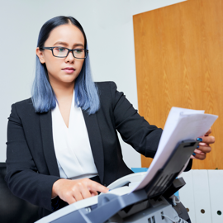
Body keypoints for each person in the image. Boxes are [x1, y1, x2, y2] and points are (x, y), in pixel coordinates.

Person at [5, 16, 215, 219]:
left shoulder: (107, 95)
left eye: (78, 50)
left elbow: (144, 136)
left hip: (116, 200)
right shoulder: (22, 114)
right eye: (60, 49)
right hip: (64, 209)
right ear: (41, 54)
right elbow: (17, 176)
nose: (70, 57)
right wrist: (59, 185)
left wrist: (184, 143)